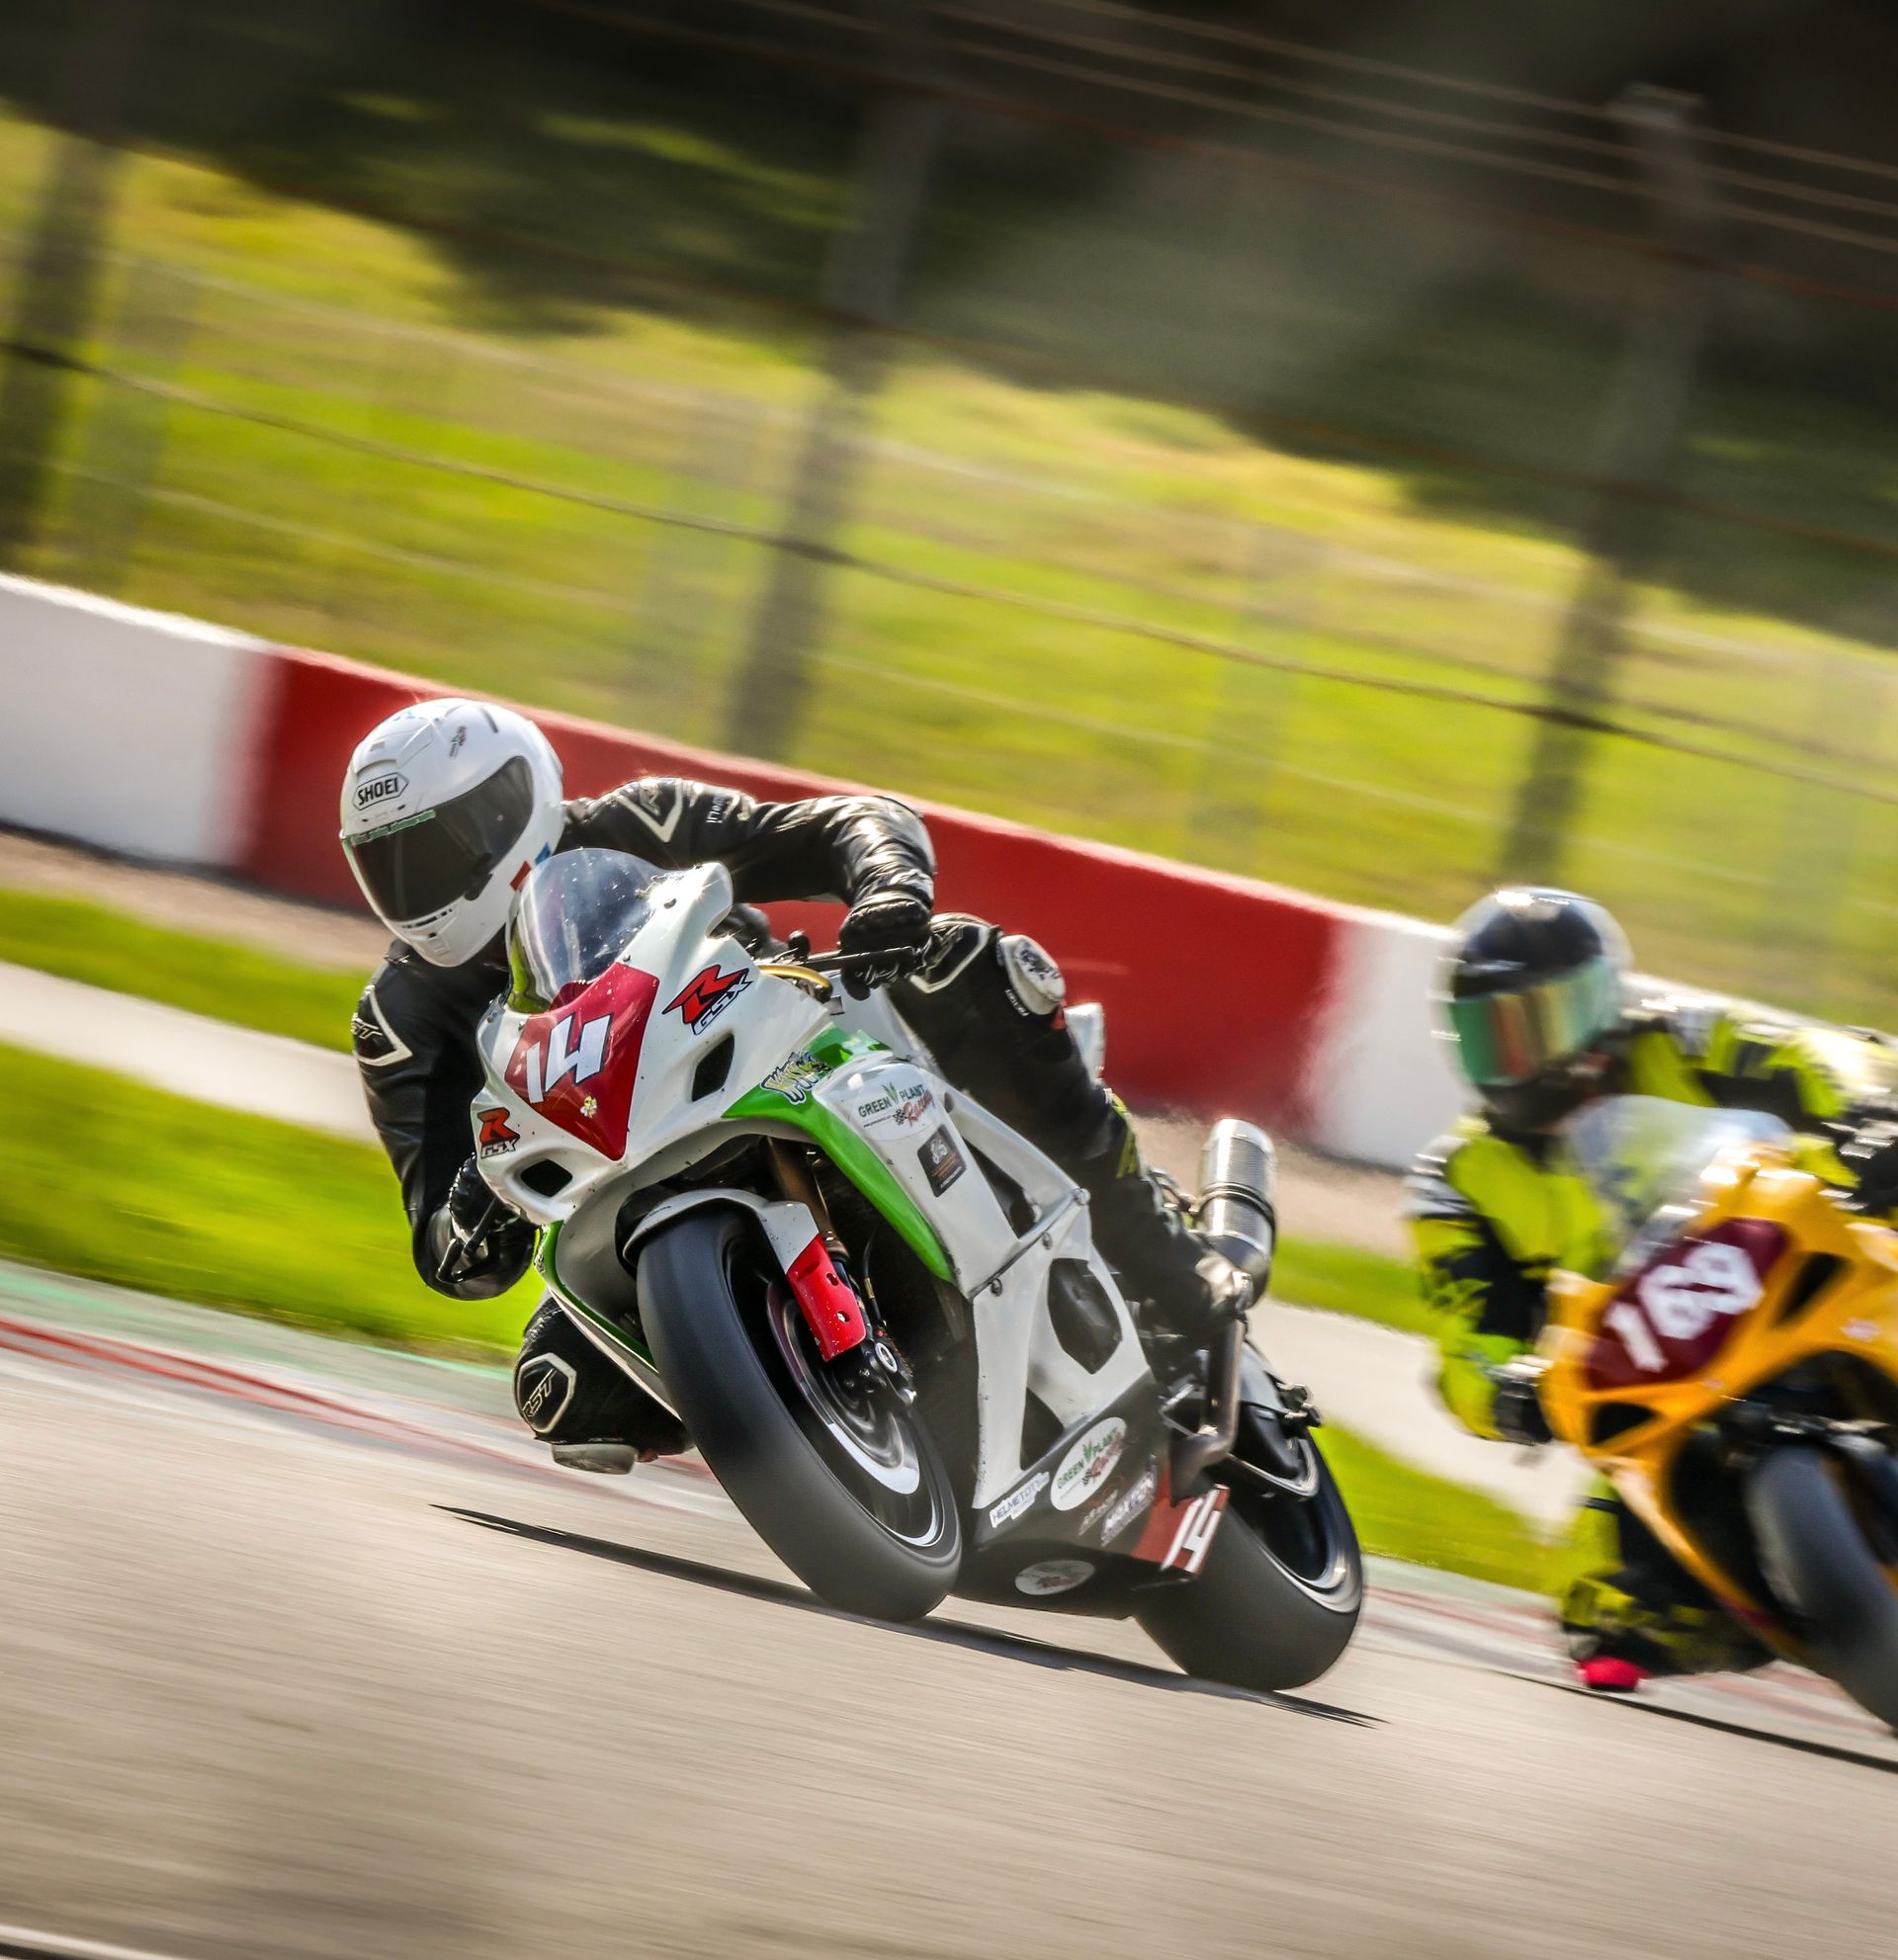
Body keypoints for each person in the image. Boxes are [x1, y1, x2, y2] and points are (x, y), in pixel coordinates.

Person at [342, 697, 1248, 1469]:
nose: (416, 887)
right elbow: (448, 1257)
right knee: (566, 1391)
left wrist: (888, 886)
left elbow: (842, 824)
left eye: (437, 850)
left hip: (791, 1048)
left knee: (970, 964)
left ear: (512, 804)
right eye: (389, 865)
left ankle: (1168, 1260)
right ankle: (835, 1428)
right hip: (611, 1190)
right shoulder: (399, 1021)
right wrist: (476, 1197)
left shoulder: (637, 824)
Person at [1408, 886, 1897, 1692]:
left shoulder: (1684, 1036)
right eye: (1499, 1032)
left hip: (1802, 1264)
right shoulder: (1456, 1182)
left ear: (1604, 1000)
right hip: (1668, 1373)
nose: (1529, 1052)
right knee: (1612, 1613)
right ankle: (1818, 1599)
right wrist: (1501, 1390)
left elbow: (1816, 1054)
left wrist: (1869, 1112)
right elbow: (1463, 1332)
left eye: (1551, 1017)